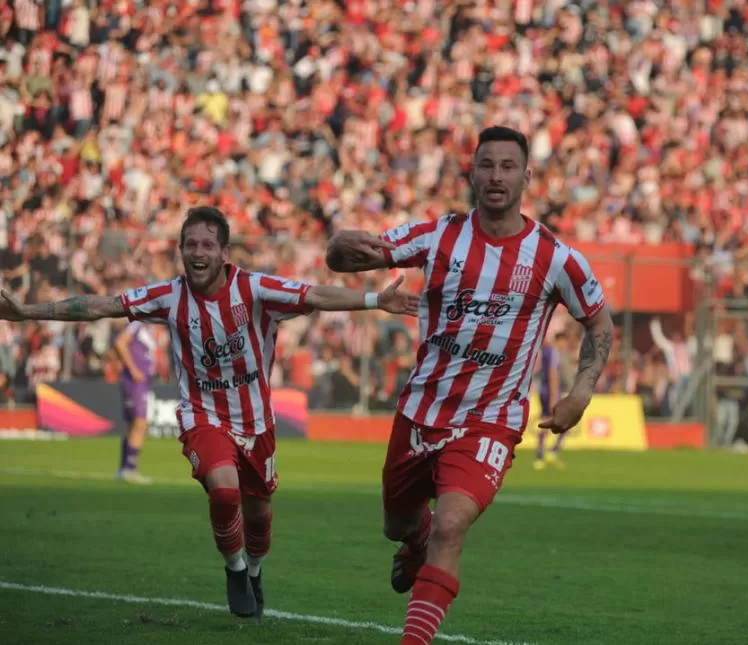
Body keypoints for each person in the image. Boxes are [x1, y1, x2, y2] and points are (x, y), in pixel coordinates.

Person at [0, 206, 419, 617]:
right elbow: (102, 305)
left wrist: (372, 300)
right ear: (181, 250)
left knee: (259, 514)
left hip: (257, 423)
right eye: (190, 244)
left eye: (207, 244)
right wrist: (26, 313)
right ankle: (235, 569)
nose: (198, 252)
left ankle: (254, 570)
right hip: (204, 417)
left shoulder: (254, 289)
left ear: (224, 252)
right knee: (223, 489)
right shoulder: (168, 297)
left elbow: (316, 294)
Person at [325, 126, 614, 645]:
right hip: (421, 410)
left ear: (526, 177)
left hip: (489, 420)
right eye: (487, 165)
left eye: (508, 167)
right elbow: (349, 257)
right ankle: (412, 543)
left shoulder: (554, 257)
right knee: (398, 524)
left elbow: (599, 321)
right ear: (472, 172)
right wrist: (342, 246)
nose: (496, 176)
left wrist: (580, 392)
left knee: (451, 524)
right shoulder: (438, 236)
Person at [113, 320, 156, 484]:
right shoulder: (136, 324)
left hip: (143, 381)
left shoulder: (146, 328)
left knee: (132, 425)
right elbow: (120, 342)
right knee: (140, 423)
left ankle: (124, 469)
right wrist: (133, 369)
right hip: (136, 381)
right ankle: (130, 469)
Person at [534, 333, 566, 470]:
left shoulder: (546, 352)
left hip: (543, 391)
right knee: (563, 421)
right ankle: (550, 452)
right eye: (563, 341)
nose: (564, 345)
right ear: (559, 340)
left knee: (545, 419)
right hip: (551, 392)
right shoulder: (554, 352)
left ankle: (542, 454)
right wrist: (553, 396)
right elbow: (552, 374)